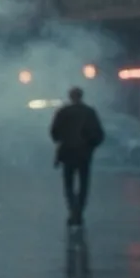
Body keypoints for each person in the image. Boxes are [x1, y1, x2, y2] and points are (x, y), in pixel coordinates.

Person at [49, 87, 104, 226]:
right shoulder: (89, 112)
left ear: (70, 97)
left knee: (68, 184)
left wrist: (63, 140)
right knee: (84, 184)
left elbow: (54, 132)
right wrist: (90, 146)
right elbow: (99, 134)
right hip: (84, 154)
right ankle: (79, 211)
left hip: (67, 152)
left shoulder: (63, 112)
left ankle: (72, 209)